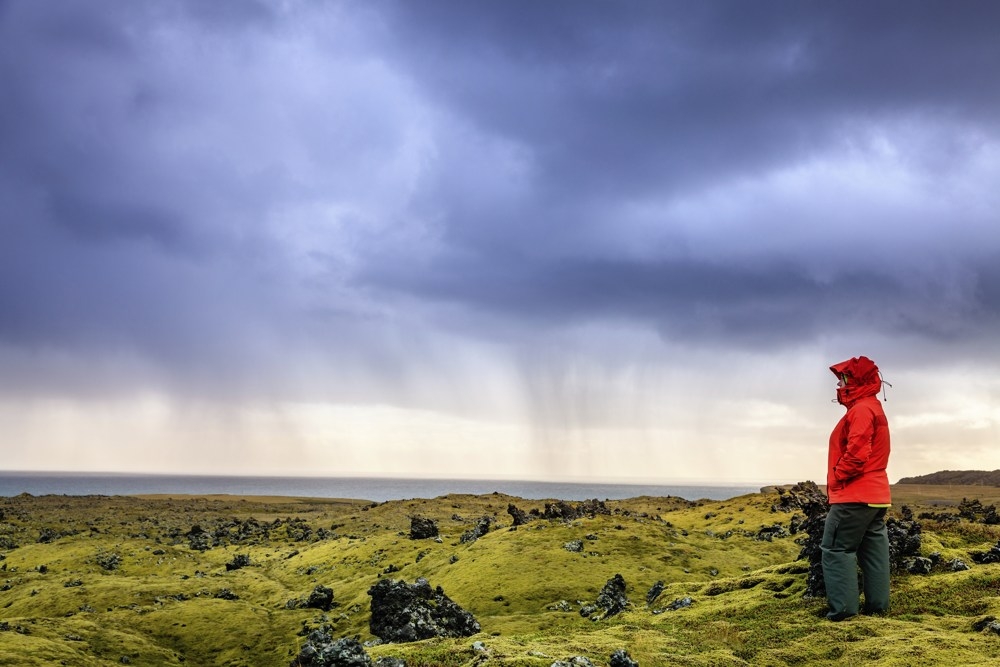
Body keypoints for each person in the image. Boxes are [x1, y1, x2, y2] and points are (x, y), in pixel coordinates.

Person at [821, 355, 891, 621]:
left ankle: (844, 613)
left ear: (856, 379)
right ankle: (878, 609)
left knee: (836, 549)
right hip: (876, 497)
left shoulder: (861, 409)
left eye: (843, 378)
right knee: (874, 552)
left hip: (854, 497)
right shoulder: (873, 407)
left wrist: (838, 477)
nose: (839, 383)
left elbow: (857, 454)